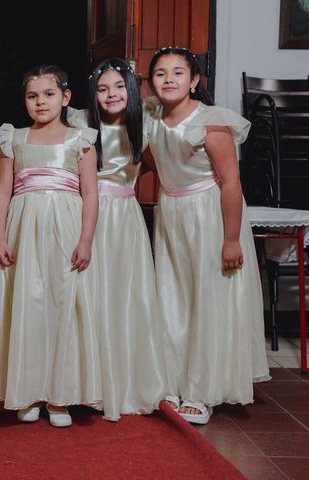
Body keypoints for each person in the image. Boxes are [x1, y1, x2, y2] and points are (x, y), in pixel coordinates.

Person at [144, 47, 270, 424]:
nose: (169, 79)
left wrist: (231, 238)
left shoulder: (211, 123)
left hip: (208, 215)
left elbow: (231, 183)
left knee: (206, 297)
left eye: (179, 73)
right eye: (161, 73)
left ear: (195, 81)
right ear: (151, 82)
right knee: (172, 297)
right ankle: (171, 379)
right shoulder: (151, 119)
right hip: (172, 213)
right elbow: (154, 161)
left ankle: (202, 389)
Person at [0, 65, 101, 427]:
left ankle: (60, 397)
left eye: (49, 94)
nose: (40, 102)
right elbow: (3, 191)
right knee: (28, 304)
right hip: (24, 227)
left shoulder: (80, 139)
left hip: (66, 226)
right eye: (32, 95)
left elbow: (90, 193)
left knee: (62, 302)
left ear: (66, 98)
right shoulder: (14, 138)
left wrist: (85, 239)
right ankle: (27, 391)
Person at [69, 58, 172, 421]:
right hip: (89, 216)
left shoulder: (144, 124)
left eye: (118, 86)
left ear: (132, 89)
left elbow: (161, 159)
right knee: (90, 294)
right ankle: (87, 382)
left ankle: (129, 380)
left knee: (127, 296)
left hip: (126, 218)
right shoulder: (79, 123)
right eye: (102, 88)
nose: (111, 94)